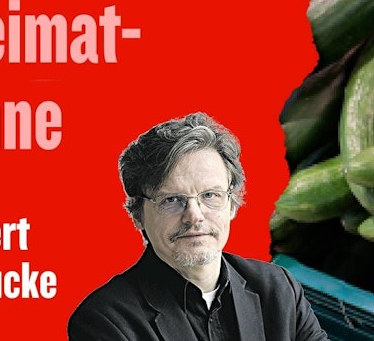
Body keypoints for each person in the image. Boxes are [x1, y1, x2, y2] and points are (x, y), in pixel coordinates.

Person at [69, 113, 326, 341]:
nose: (194, 216)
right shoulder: (106, 320)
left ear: (232, 204)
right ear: (138, 215)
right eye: (172, 200)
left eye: (211, 195)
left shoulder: (279, 289)